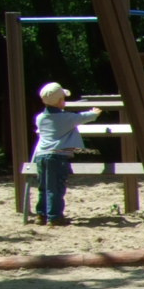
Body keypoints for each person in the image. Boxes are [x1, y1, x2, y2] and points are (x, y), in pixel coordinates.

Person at [31, 82, 100, 226]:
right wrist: (95, 112)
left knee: (43, 186)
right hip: (57, 156)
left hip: (41, 155)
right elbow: (84, 117)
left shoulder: (40, 118)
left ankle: (41, 215)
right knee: (55, 187)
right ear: (59, 101)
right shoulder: (66, 118)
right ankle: (55, 216)